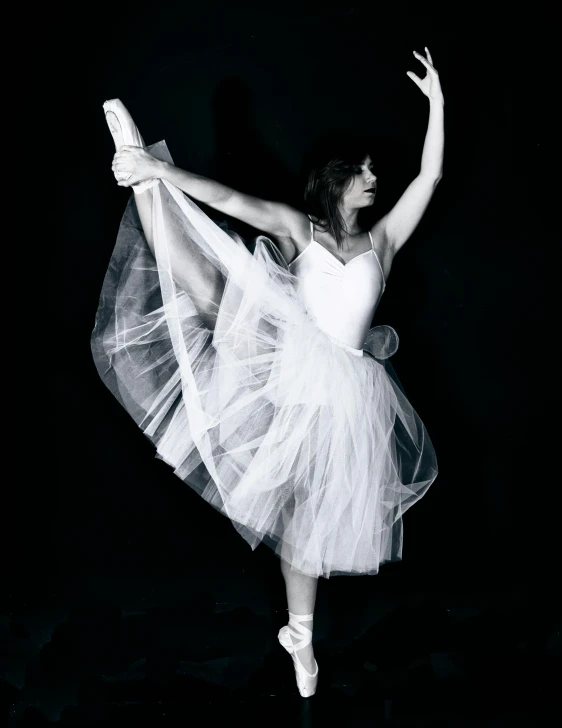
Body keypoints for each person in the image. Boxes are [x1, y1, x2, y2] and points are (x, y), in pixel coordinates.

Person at [92, 48, 444, 697]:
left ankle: (300, 639)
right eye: (362, 170)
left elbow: (427, 180)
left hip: (347, 392)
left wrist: (439, 105)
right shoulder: (297, 229)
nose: (374, 177)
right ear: (336, 179)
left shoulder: (383, 242)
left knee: (310, 528)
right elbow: (229, 197)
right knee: (205, 278)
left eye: (374, 172)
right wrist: (156, 168)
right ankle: (146, 177)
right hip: (285, 358)